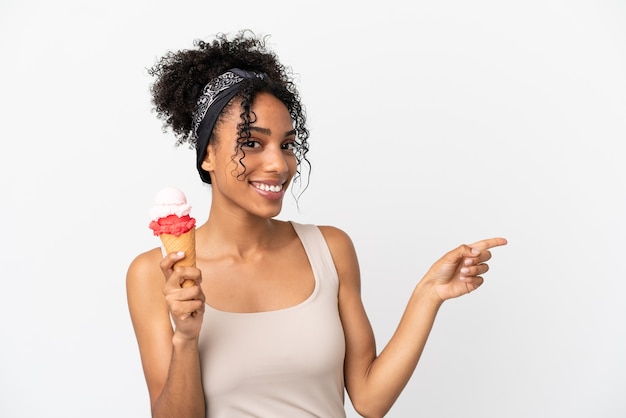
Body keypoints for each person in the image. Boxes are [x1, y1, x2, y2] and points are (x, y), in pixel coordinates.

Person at [126, 30, 507, 418]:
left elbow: (370, 399)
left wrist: (428, 294)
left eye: (287, 145)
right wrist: (186, 339)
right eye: (253, 143)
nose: (278, 164)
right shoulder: (154, 275)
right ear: (207, 154)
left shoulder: (329, 249)